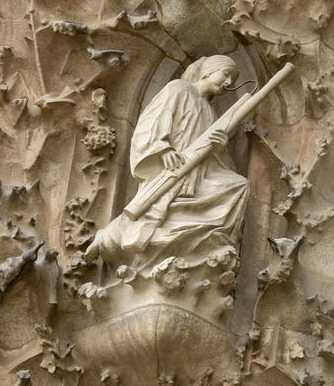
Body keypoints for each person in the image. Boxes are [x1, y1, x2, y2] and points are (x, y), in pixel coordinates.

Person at [93, 57, 250, 285]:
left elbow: (211, 156)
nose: (227, 82)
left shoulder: (211, 113)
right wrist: (162, 148)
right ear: (208, 71)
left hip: (197, 175)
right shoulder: (179, 89)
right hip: (169, 169)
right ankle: (109, 238)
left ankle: (214, 243)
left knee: (239, 185)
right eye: (225, 74)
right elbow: (152, 121)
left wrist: (219, 148)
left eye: (232, 80)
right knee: (150, 210)